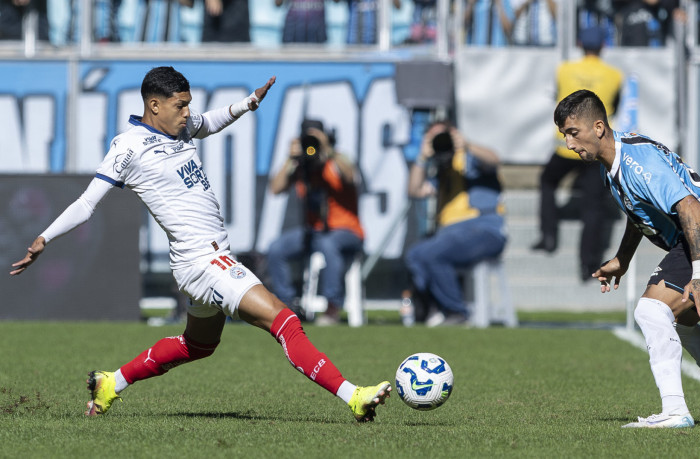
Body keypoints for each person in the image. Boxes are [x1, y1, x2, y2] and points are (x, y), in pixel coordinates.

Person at [10, 66, 390, 422]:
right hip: (204, 262)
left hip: (203, 261)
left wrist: (248, 103)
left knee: (198, 346)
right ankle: (354, 396)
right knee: (285, 320)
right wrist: (45, 237)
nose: (187, 112)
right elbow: (86, 203)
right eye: (180, 105)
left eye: (188, 104)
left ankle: (112, 382)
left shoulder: (181, 127)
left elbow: (209, 122)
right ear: (154, 105)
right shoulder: (128, 147)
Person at [554, 89, 700, 428]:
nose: (568, 143)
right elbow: (640, 212)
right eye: (564, 135)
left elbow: (690, 207)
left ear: (598, 127)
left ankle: (674, 411)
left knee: (650, 311)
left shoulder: (636, 161)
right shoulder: (611, 165)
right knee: (680, 325)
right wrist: (622, 259)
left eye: (572, 132)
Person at [531, 26, 622, 282]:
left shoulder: (564, 70)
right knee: (593, 208)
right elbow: (615, 107)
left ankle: (549, 236)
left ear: (580, 44)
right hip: (594, 149)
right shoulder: (615, 75)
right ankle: (588, 265)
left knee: (547, 181)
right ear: (603, 47)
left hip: (567, 147)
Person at [405, 120, 507, 327]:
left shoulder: (471, 160)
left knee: (432, 253)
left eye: (443, 136)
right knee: (415, 254)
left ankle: (456, 312)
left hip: (484, 230)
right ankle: (431, 311)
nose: (441, 141)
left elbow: (494, 160)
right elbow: (414, 190)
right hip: (449, 236)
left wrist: (465, 144)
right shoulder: (441, 170)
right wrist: (422, 157)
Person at [267, 119, 364, 326]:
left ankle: (332, 307)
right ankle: (288, 305)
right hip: (314, 232)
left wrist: (327, 149)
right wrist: (290, 158)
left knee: (329, 244)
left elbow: (351, 176)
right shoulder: (301, 166)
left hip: (347, 231)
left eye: (315, 139)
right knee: (276, 249)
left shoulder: (337, 160)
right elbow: (275, 189)